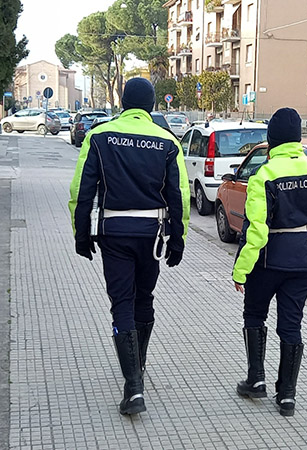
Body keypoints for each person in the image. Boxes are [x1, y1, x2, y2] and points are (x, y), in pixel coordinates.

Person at [68, 78, 190, 415]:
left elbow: (82, 190)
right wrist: (178, 238)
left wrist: (82, 233)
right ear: (151, 105)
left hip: (114, 233)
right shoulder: (167, 141)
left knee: (122, 302)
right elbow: (178, 195)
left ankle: (133, 387)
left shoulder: (99, 135)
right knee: (144, 298)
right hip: (151, 235)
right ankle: (139, 364)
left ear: (123, 102)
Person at [232, 107, 307, 416]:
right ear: (297, 137)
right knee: (292, 323)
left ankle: (256, 380)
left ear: (271, 139)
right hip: (305, 260)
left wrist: (241, 270)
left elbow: (255, 231)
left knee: (255, 315)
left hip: (268, 262)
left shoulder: (265, 175)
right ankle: (286, 395)